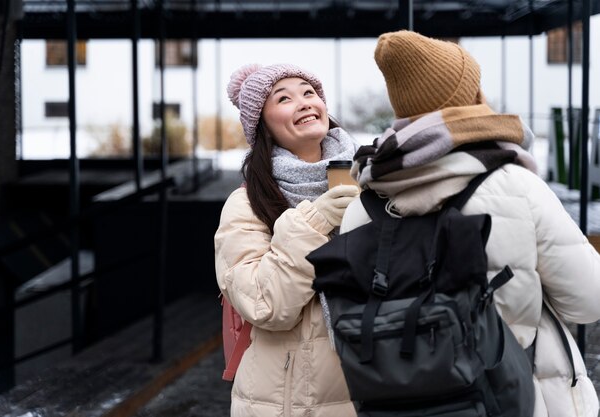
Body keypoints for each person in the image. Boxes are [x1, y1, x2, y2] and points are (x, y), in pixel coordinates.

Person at [340, 30, 600, 417]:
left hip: (403, 404)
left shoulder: (364, 204)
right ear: (465, 98)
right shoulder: (514, 185)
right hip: (519, 398)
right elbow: (588, 299)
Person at [214, 63, 360, 417]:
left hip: (370, 383)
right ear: (263, 125)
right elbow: (266, 304)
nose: (304, 102)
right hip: (285, 401)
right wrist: (317, 220)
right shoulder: (247, 203)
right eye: (284, 98)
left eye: (309, 93)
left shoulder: (370, 180)